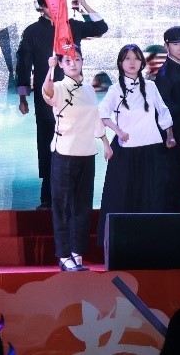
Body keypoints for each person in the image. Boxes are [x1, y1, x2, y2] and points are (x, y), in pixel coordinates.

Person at [16, 0, 109, 208]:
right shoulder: (32, 32)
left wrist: (84, 4)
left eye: (59, 4)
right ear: (41, 7)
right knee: (50, 142)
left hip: (75, 94)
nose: (56, 9)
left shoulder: (71, 26)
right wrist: (23, 96)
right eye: (50, 5)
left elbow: (101, 27)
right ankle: (48, 196)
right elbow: (23, 64)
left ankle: (75, 196)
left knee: (77, 140)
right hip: (48, 96)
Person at [99, 44, 176, 245]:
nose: (132, 62)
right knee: (123, 197)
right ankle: (122, 243)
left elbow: (163, 111)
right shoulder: (115, 89)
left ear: (142, 62)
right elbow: (102, 114)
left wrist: (169, 135)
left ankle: (150, 242)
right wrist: (118, 131)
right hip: (126, 151)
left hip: (152, 148)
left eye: (136, 58)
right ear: (120, 63)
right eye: (127, 58)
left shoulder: (150, 86)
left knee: (152, 197)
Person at [42, 51, 111, 271]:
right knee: (62, 205)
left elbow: (95, 118)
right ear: (61, 64)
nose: (73, 64)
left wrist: (106, 143)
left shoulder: (89, 89)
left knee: (82, 206)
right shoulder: (59, 86)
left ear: (82, 62)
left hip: (87, 152)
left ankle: (77, 252)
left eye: (77, 60)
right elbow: (47, 92)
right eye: (68, 61)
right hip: (64, 152)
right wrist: (50, 69)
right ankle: (63, 255)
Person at [153, 26, 180, 212]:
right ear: (167, 46)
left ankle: (176, 219)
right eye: (176, 44)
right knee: (171, 187)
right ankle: (168, 222)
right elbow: (163, 110)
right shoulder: (164, 73)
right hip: (171, 140)